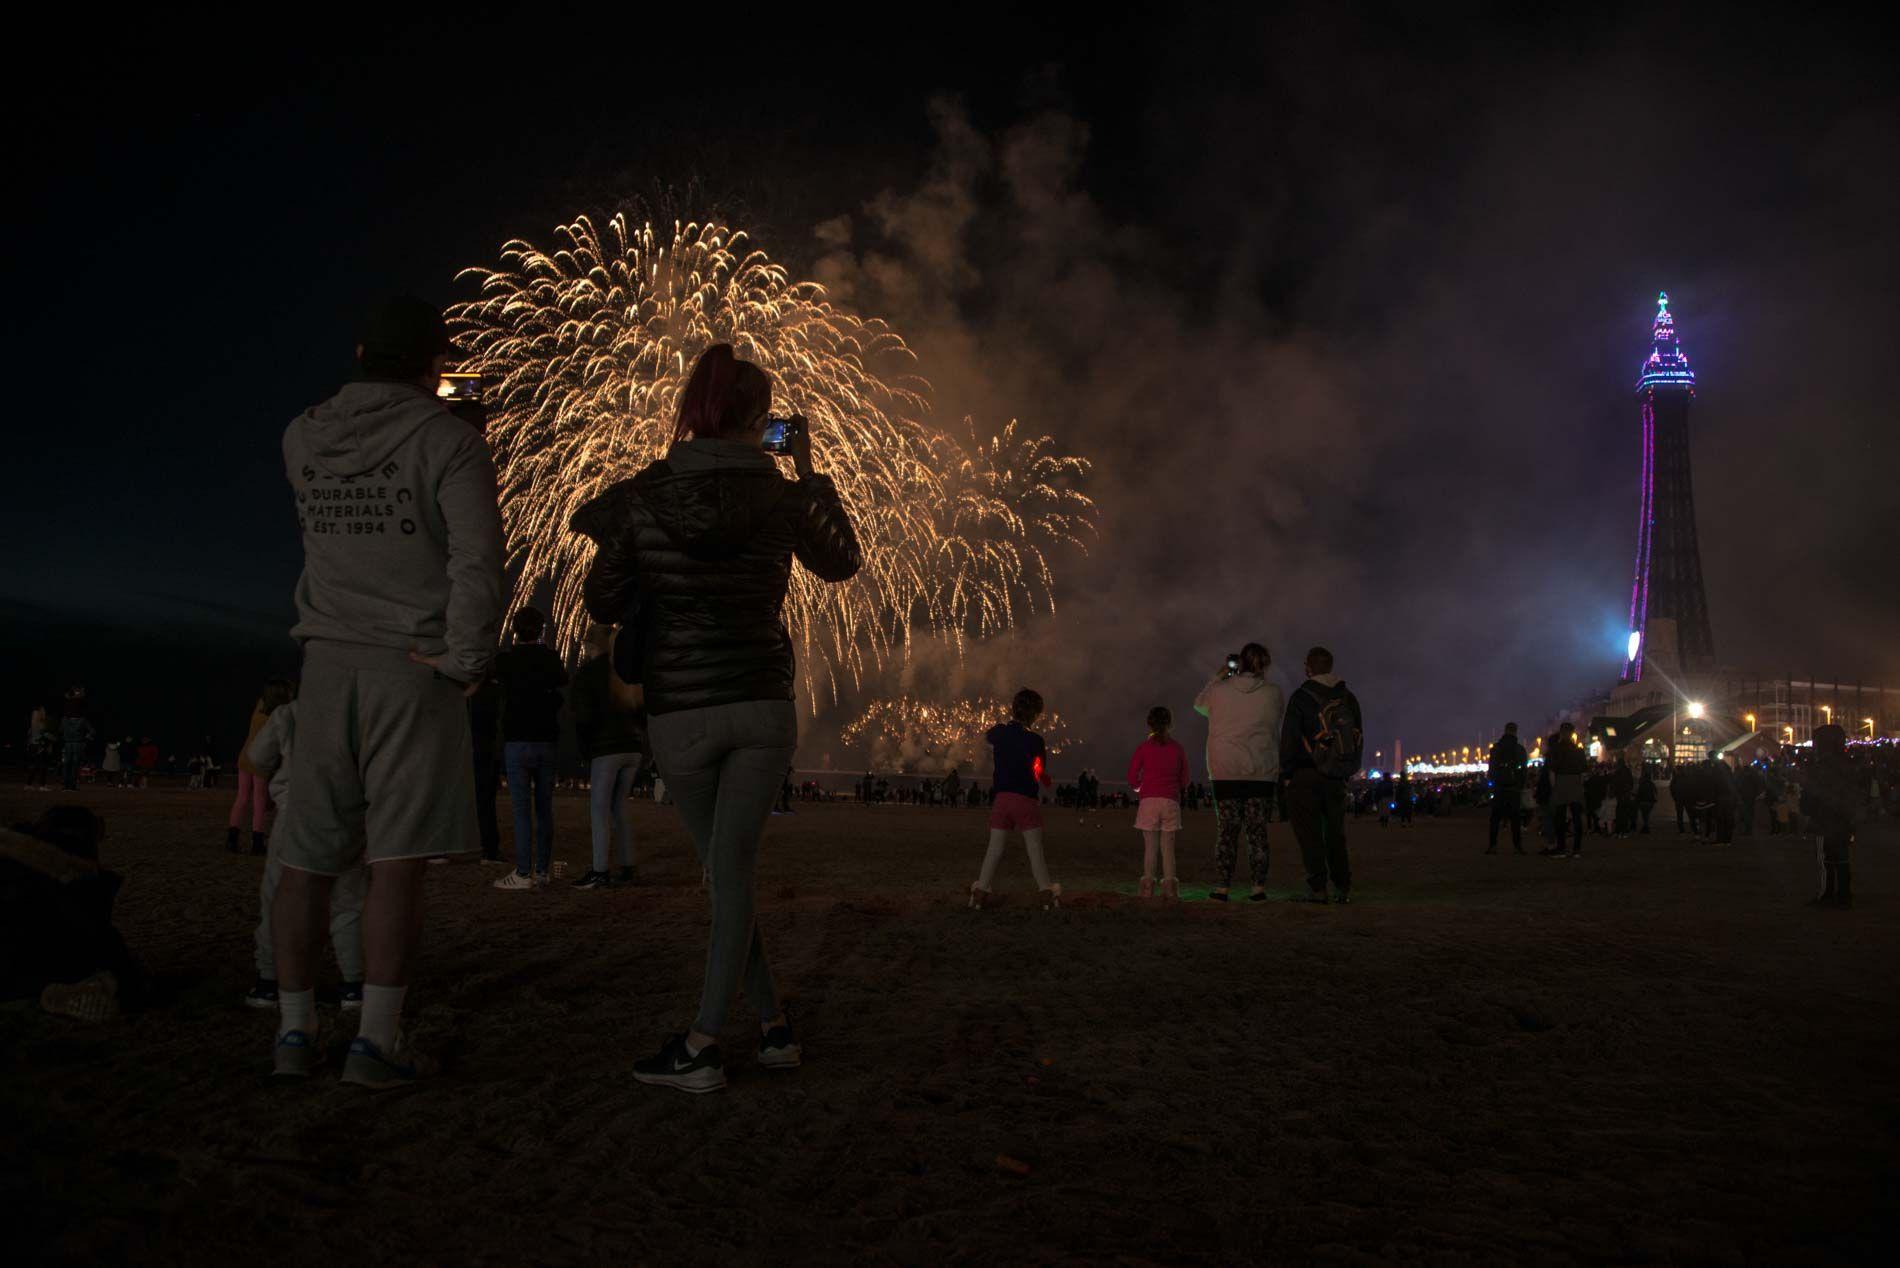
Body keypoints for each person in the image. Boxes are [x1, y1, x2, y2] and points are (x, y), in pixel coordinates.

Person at [572, 342, 861, 1094]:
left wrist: (629, 550)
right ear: (763, 421)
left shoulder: (643, 495)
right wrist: (806, 471)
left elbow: (602, 604)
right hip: (763, 704)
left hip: (684, 715)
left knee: (725, 874)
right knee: (730, 875)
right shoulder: (783, 496)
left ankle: (702, 1043)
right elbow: (841, 563)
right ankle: (771, 1028)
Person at [270, 296, 505, 1087]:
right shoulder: (451, 442)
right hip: (413, 661)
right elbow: (477, 565)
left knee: (305, 861)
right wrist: (467, 659)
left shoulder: (301, 435)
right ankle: (373, 1042)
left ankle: (294, 1034)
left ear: (364, 353)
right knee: (398, 862)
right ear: (434, 366)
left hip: (325, 659)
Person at [243, 684, 366, 1010]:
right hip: (345, 816)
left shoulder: (288, 713)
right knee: (348, 903)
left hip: (295, 817)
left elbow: (256, 757)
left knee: (278, 897)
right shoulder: (358, 717)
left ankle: (268, 982)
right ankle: (354, 985)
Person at [2, 807, 142, 1022]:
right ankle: (47, 992)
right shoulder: (76, 874)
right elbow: (96, 933)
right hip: (25, 968)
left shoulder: (12, 854)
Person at [1193, 643, 1284, 902]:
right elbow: (1276, 717)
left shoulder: (1219, 692)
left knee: (1227, 832)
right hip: (1261, 771)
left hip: (1225, 771)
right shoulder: (1273, 693)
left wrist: (1219, 676)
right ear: (1264, 665)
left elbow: (1199, 705)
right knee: (1257, 833)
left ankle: (1223, 886)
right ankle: (1258, 887)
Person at [490, 605, 568, 890]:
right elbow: (562, 681)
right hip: (546, 740)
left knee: (521, 811)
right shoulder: (550, 659)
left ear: (514, 629)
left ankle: (523, 872)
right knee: (544, 808)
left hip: (517, 740)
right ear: (541, 630)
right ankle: (542, 871)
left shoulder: (507, 661)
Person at [1280, 646, 1364, 903]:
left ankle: (1317, 887)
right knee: (1335, 833)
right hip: (1336, 776)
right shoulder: (1347, 697)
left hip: (1305, 774)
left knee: (1310, 834)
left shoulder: (1301, 697)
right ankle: (1343, 886)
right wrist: (1347, 768)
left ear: (1308, 666)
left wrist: (1286, 771)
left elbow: (1290, 738)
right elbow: (1357, 735)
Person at [569, 622, 647, 889]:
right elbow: (641, 711)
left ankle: (600, 870)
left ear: (591, 645)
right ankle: (628, 866)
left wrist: (584, 749)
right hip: (633, 748)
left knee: (600, 810)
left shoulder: (588, 673)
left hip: (606, 749)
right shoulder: (626, 671)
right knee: (620, 808)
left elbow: (584, 717)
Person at [969, 689, 1060, 910]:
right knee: (1034, 849)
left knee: (994, 848)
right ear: (1036, 714)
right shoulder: (1036, 740)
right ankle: (1046, 893)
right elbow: (1038, 770)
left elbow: (985, 739)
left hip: (1001, 800)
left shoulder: (999, 732)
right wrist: (1046, 780)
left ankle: (979, 893)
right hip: (1025, 800)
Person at [1127, 705, 1190, 900]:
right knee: (1168, 848)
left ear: (1149, 724)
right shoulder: (1177, 748)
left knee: (1150, 848)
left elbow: (1132, 776)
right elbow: (1185, 779)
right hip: (1170, 801)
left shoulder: (1143, 748)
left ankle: (1147, 887)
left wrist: (1139, 786)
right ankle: (1170, 888)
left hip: (1149, 801)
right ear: (1170, 724)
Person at [227, 679, 292, 855]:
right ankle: (257, 841)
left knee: (242, 797)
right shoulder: (280, 714)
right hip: (262, 758)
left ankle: (232, 839)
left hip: (245, 754)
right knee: (259, 800)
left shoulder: (260, 705)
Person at [1801, 724, 1862, 908]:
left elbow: (1811, 794)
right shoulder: (1848, 765)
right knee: (1842, 859)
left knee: (1826, 860)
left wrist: (1808, 810)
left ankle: (1827, 894)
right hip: (1842, 819)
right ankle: (1844, 895)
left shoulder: (1820, 767)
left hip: (1825, 819)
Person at [469, 673, 503, 863]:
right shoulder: (494, 690)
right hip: (486, 746)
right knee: (485, 798)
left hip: (472, 743)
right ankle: (489, 848)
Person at [1544, 722, 1587, 857]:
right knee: (1576, 818)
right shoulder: (1578, 750)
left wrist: (1554, 788)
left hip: (1561, 782)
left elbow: (1551, 772)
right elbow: (1583, 772)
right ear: (1572, 733)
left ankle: (1561, 848)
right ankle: (1576, 849)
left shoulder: (1555, 750)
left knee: (1560, 818)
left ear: (1561, 733)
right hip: (1575, 782)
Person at [1485, 722, 1529, 855]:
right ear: (1516, 732)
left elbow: (1491, 769)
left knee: (1495, 818)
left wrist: (1493, 783)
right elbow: (1524, 770)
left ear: (1505, 731)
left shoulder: (1496, 748)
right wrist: (1520, 785)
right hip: (1514, 788)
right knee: (1515, 819)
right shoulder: (1520, 749)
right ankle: (1517, 846)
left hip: (1499, 787)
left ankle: (1493, 846)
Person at [58, 690, 94, 792]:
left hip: (68, 743)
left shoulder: (64, 719)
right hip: (78, 743)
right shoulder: (82, 719)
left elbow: (60, 730)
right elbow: (92, 732)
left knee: (67, 765)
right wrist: (85, 739)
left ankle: (65, 786)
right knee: (74, 765)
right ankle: (72, 786)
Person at [1610, 756, 1636, 837]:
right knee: (1625, 813)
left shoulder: (1618, 772)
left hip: (1620, 795)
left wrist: (1614, 792)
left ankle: (1619, 830)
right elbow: (1631, 783)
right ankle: (1623, 830)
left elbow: (1614, 784)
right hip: (1625, 795)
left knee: (1620, 813)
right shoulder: (1627, 771)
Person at [1635, 764, 1658, 833]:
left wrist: (1637, 799)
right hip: (1650, 801)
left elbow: (1639, 792)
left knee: (1644, 815)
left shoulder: (1642, 784)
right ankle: (1646, 826)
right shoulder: (1651, 784)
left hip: (1643, 801)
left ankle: (1646, 827)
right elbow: (1655, 792)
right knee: (1647, 815)